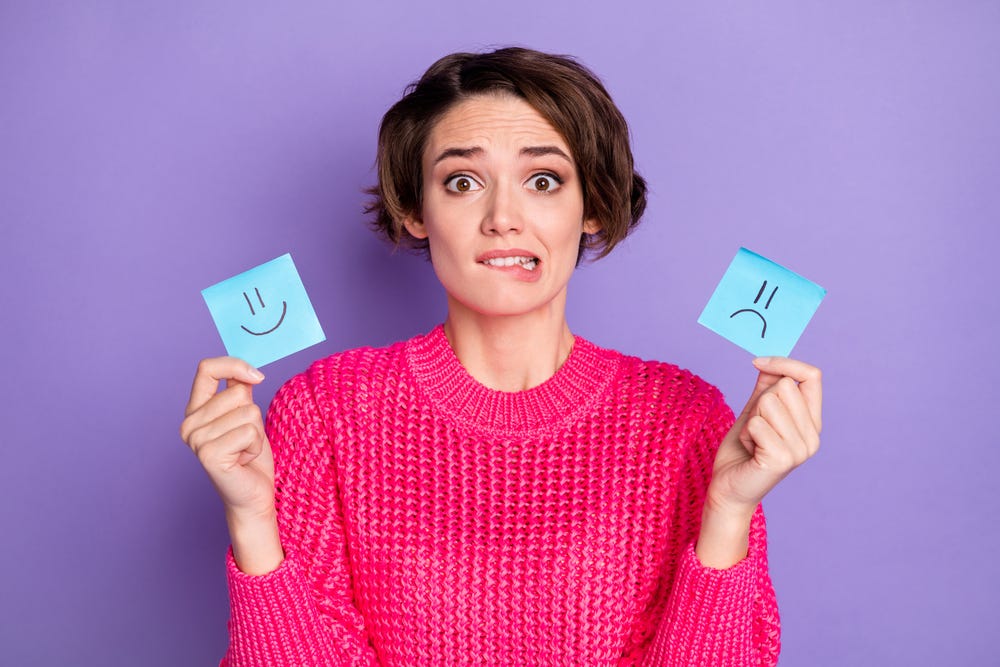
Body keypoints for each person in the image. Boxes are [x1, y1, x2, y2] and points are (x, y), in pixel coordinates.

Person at [180, 47, 822, 667]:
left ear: (593, 205)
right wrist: (252, 518)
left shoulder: (684, 416)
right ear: (414, 210)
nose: (503, 218)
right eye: (462, 181)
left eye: (543, 180)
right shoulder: (325, 409)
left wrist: (729, 511)